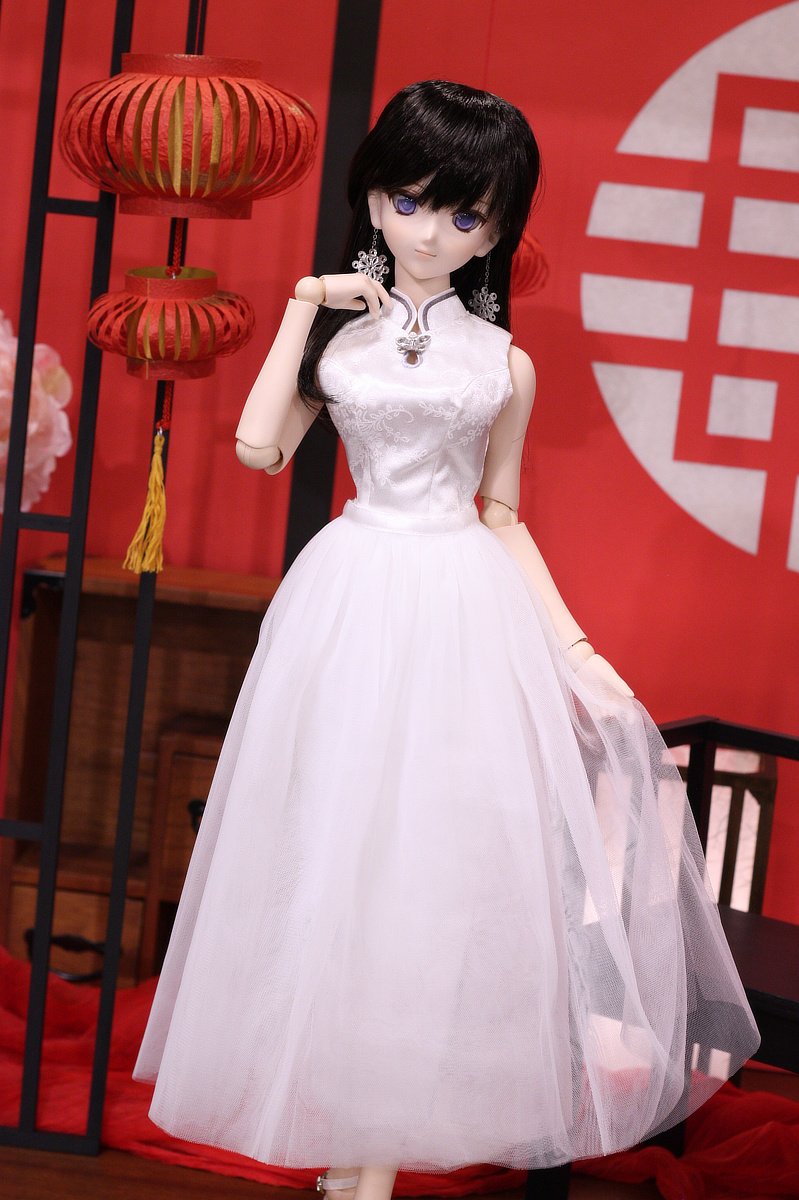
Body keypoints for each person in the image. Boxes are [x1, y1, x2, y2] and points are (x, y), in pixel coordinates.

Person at [133, 80, 760, 1200]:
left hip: (462, 614)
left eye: (464, 214)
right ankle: (349, 1149)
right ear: (373, 198)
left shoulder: (502, 362)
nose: (429, 234)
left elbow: (501, 514)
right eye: (409, 202)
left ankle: (370, 1159)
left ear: (497, 229)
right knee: (335, 855)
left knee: (433, 871)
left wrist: (573, 648)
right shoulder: (344, 337)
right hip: (351, 599)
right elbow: (259, 449)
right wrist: (304, 304)